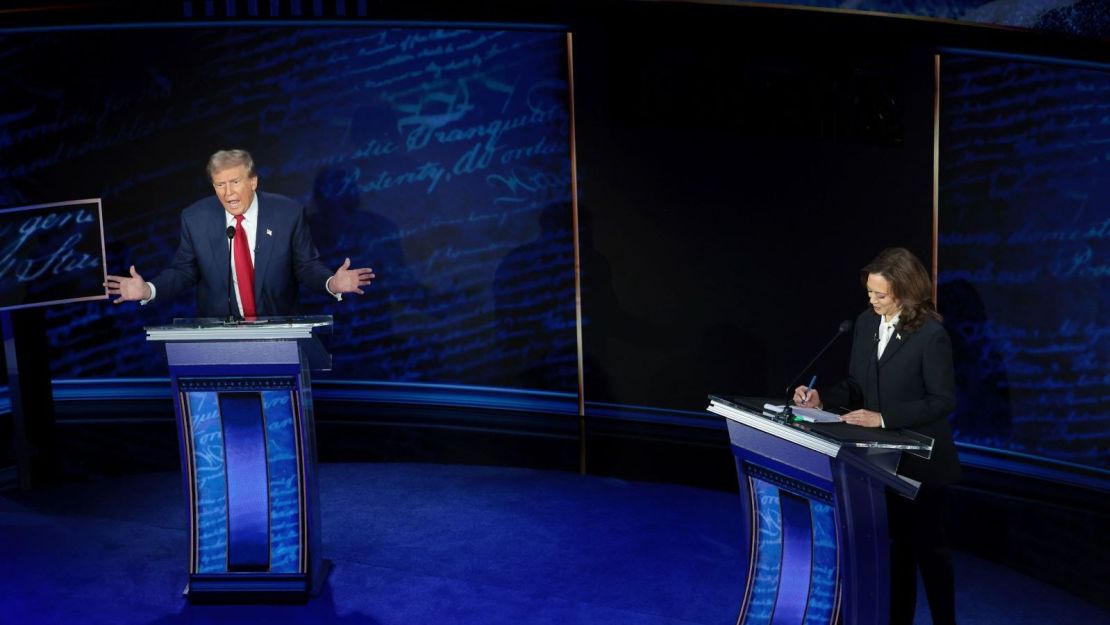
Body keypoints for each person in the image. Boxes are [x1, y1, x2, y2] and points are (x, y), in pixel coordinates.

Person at [792, 247, 960, 625]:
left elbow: (942, 400)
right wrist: (821, 400)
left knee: (929, 552)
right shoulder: (867, 324)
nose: (871, 300)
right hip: (879, 460)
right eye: (869, 292)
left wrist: (883, 418)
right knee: (896, 550)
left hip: (922, 463)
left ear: (903, 291)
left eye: (879, 294)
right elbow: (856, 386)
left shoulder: (931, 335)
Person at [105, 149, 374, 316]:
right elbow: (184, 271)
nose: (228, 192)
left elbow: (305, 267)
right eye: (220, 184)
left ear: (253, 181)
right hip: (218, 337)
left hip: (278, 333)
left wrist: (331, 283)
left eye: (235, 182)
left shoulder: (287, 213)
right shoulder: (195, 218)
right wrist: (148, 290)